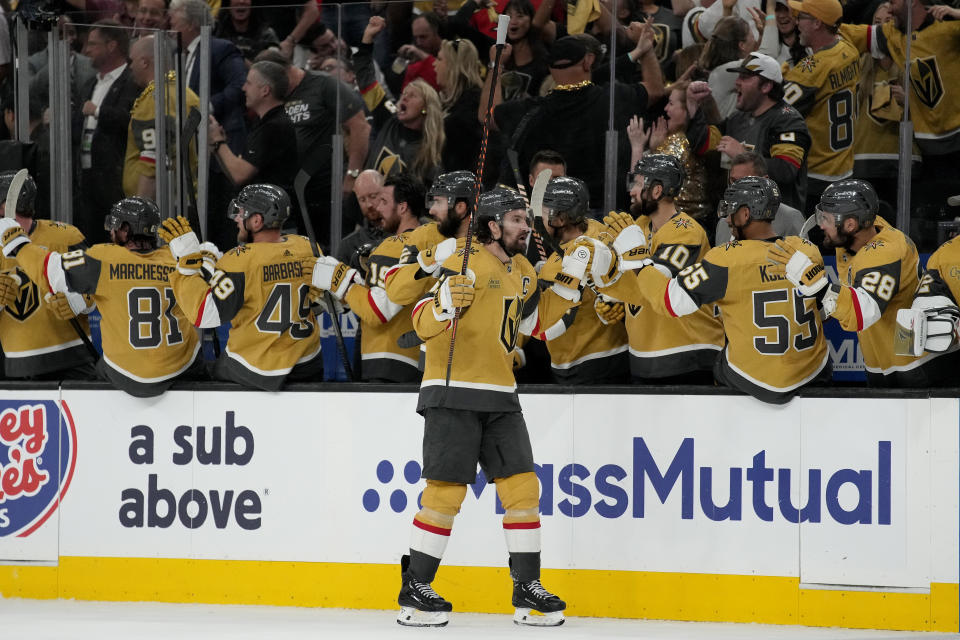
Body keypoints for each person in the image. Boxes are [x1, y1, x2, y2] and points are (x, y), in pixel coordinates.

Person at [389, 185, 570, 627]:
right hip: (452, 391)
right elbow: (415, 314)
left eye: (526, 220)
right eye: (516, 220)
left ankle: (526, 589)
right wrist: (443, 305)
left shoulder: (524, 269)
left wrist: (570, 282)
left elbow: (539, 323)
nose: (526, 228)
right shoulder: (460, 258)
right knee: (445, 494)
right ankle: (415, 588)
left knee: (524, 490)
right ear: (492, 225)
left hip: (502, 395)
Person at [600, 176, 830, 403]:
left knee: (721, 364)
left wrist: (639, 261)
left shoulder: (726, 260)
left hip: (749, 379)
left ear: (745, 214)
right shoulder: (807, 250)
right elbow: (824, 309)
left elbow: (670, 301)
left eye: (730, 210)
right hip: (811, 374)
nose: (727, 219)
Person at [1, 196, 205, 396]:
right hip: (181, 367)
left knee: (97, 372)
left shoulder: (104, 258)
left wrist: (18, 244)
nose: (111, 231)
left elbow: (49, 271)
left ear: (125, 230)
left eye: (114, 225)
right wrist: (80, 300)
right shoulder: (176, 259)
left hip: (128, 375)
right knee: (199, 358)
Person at [770, 179, 953, 387]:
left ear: (850, 224)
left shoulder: (885, 252)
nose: (820, 224)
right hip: (883, 360)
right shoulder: (852, 239)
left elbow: (862, 313)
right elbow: (843, 301)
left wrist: (817, 285)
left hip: (916, 364)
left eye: (826, 218)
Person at [163, 184, 324, 390]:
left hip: (257, 368)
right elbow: (319, 303)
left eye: (241, 213)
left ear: (256, 221)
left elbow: (205, 314)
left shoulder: (238, 261)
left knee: (205, 373)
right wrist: (211, 265)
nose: (237, 219)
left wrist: (188, 267)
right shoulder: (307, 246)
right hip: (307, 364)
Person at [486, 32, 663, 212]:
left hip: (554, 215)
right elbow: (656, 90)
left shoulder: (533, 110)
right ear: (588, 61)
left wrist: (496, 64)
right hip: (609, 214)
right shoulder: (612, 98)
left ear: (551, 69)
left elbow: (487, 116)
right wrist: (647, 49)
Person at [615, 155, 724, 383]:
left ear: (656, 191)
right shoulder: (639, 227)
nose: (631, 190)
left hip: (687, 354)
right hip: (646, 355)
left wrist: (629, 258)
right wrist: (609, 295)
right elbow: (625, 278)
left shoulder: (686, 231)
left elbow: (659, 282)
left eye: (637, 183)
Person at [317, 173, 427, 383]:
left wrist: (345, 282)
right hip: (418, 359)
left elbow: (379, 310)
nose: (377, 207)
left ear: (402, 207)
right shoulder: (431, 239)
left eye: (383, 201)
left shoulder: (395, 245)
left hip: (387, 358)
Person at [254, 49, 370, 248]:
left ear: (282, 72)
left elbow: (360, 126)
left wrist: (352, 175)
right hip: (294, 193)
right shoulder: (277, 96)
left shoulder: (324, 85)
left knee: (331, 251)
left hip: (327, 189)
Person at [686, 52, 810, 211]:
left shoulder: (788, 121)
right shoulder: (738, 118)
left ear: (766, 86)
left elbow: (785, 170)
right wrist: (693, 108)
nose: (737, 82)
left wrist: (742, 155)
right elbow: (703, 145)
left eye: (745, 77)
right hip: (740, 214)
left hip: (775, 222)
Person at [0, 171, 95, 379]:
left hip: (72, 359)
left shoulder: (65, 236)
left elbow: (95, 291)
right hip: (13, 364)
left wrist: (78, 300)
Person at [535, 176, 629, 383]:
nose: (538, 220)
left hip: (585, 366)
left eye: (543, 212)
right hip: (618, 356)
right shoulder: (602, 231)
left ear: (560, 219)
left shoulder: (553, 270)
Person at [780, 0, 860, 212]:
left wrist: (784, 69)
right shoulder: (848, 48)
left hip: (816, 175)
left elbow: (776, 111)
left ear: (817, 23)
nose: (796, 23)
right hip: (845, 168)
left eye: (802, 18)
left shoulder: (812, 68)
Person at [359, 17, 445, 186]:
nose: (404, 97)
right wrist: (367, 39)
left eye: (412, 96)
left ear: (426, 108)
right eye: (404, 93)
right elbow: (366, 80)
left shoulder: (430, 155)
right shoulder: (388, 117)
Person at [77, 20, 141, 244]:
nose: (87, 51)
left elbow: (130, 119)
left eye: (93, 44)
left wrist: (98, 112)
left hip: (115, 178)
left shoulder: (132, 81)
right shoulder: (89, 83)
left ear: (111, 46)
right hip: (87, 176)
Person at [208, 61, 298, 206]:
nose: (243, 88)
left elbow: (240, 175)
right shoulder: (264, 123)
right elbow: (234, 172)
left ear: (265, 91)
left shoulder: (273, 127)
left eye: (248, 83)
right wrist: (217, 144)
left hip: (270, 216)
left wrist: (219, 142)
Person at [123, 35, 201, 200]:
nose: (129, 67)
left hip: (162, 205)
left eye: (132, 61)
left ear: (144, 62)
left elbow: (153, 164)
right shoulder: (187, 94)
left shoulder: (155, 100)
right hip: (187, 198)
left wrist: (140, 212)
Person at [714, 151, 805, 243]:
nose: (736, 188)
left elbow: (803, 256)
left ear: (765, 181)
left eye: (745, 181)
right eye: (733, 181)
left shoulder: (790, 218)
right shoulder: (723, 225)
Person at [435, 38, 484, 174]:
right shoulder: (451, 100)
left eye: (439, 59)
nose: (434, 64)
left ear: (453, 65)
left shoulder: (473, 105)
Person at [335, 170, 385, 265]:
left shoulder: (403, 233)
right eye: (362, 200)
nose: (368, 204)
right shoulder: (348, 246)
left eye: (373, 196)